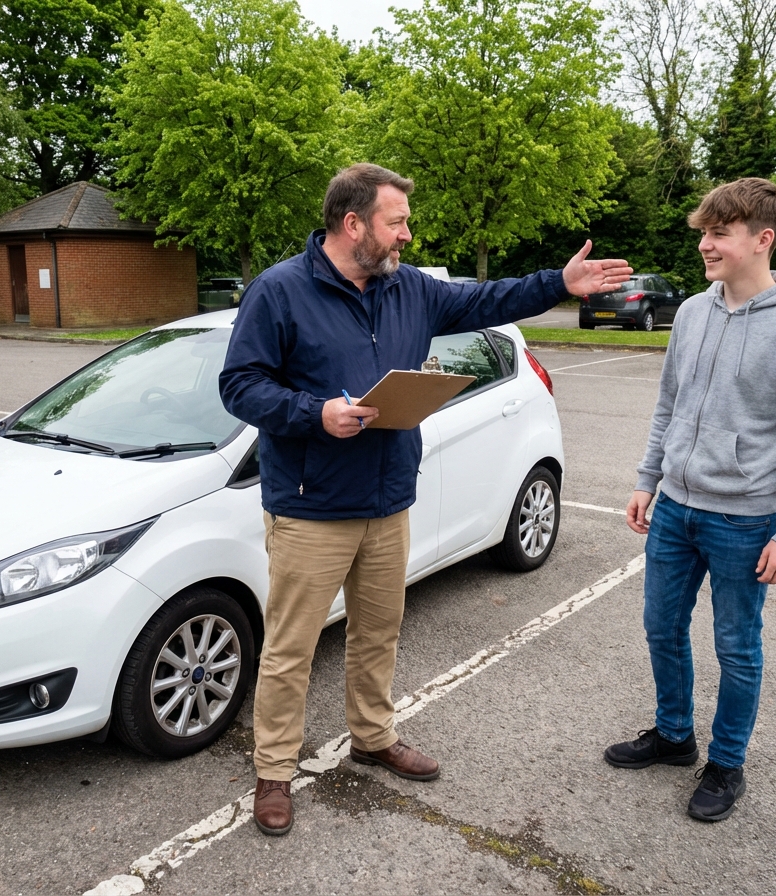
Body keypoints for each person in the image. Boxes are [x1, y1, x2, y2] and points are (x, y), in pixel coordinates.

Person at [219, 163, 632, 836]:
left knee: (378, 631)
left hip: (388, 500)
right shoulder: (279, 291)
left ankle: (372, 736)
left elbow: (486, 301)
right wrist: (314, 413)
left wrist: (559, 283)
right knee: (291, 648)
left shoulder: (408, 287)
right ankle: (274, 770)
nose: (407, 235)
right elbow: (239, 385)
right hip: (311, 506)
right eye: (397, 222)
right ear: (353, 224)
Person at [604, 177, 776, 822]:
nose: (706, 244)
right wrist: (647, 479)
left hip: (744, 520)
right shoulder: (692, 312)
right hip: (675, 509)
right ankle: (674, 735)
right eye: (704, 232)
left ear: (763, 239)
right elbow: (669, 405)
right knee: (661, 628)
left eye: (720, 233)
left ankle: (726, 763)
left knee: (736, 648)